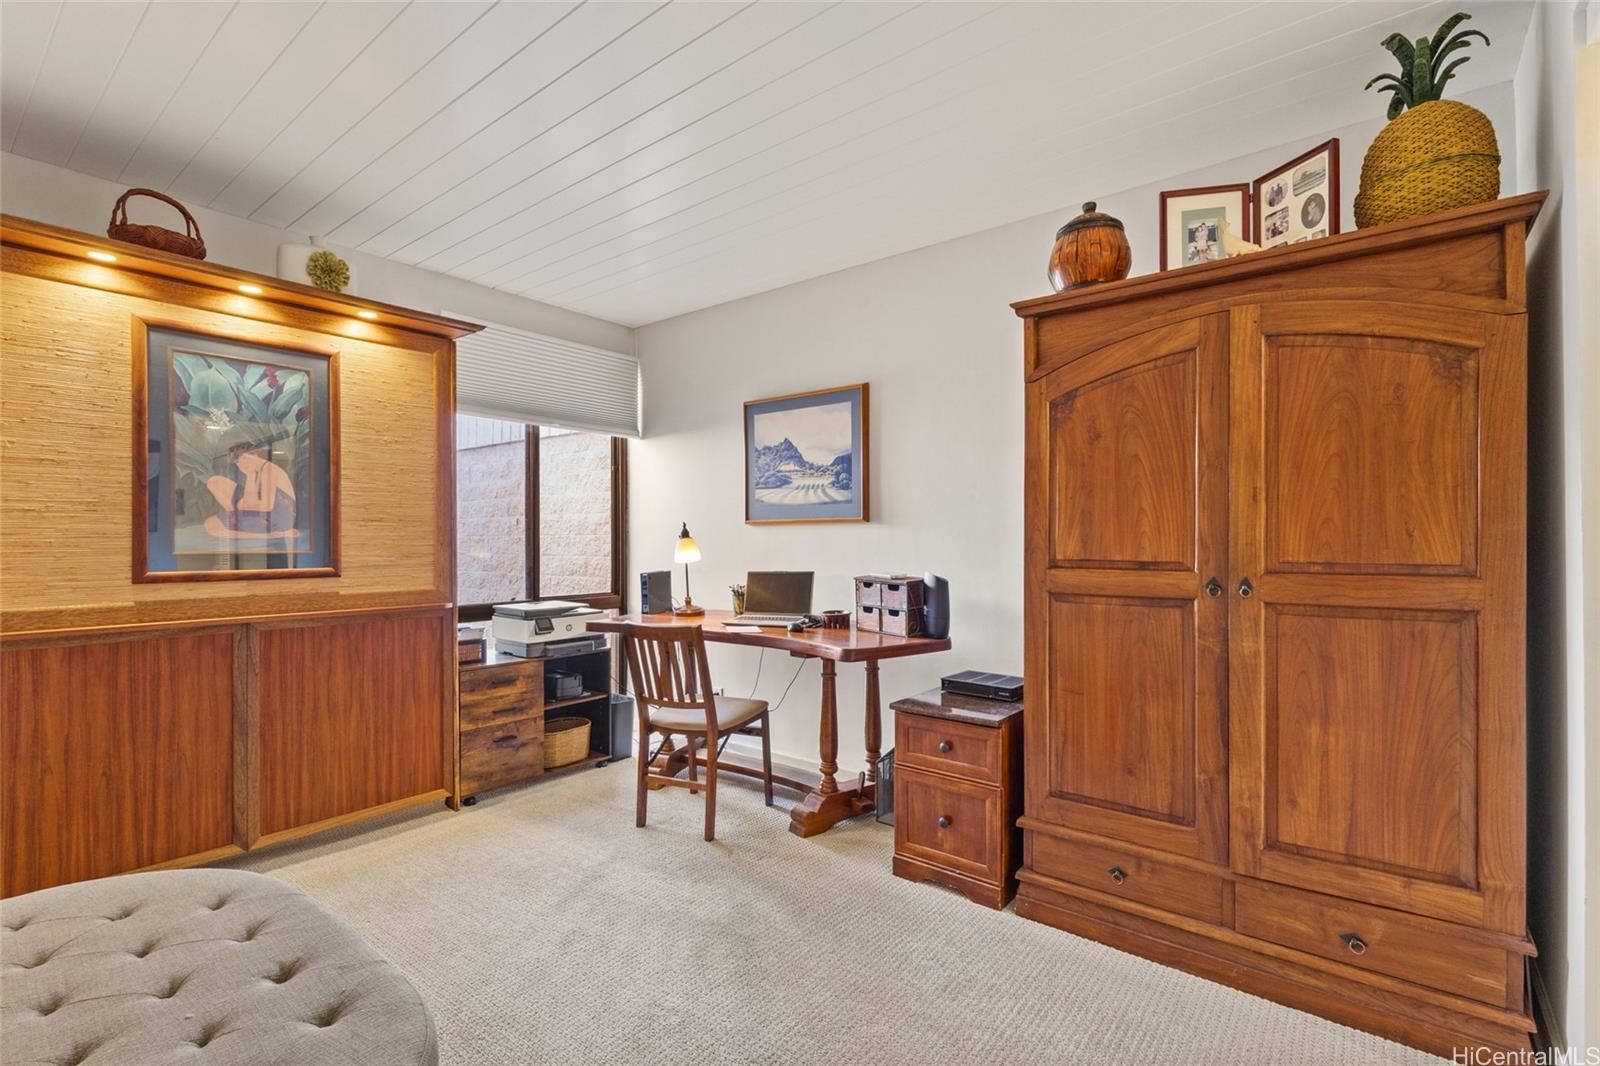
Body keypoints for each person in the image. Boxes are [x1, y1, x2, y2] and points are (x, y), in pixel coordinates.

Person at [204, 441, 299, 540]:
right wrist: (250, 475)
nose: (240, 465)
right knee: (214, 482)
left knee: (212, 525)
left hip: (278, 517)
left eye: (244, 458)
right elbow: (250, 501)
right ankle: (238, 517)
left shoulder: (269, 469)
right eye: (237, 462)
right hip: (267, 512)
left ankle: (270, 535)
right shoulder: (259, 470)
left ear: (254, 454)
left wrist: (241, 505)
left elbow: (266, 506)